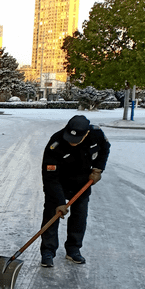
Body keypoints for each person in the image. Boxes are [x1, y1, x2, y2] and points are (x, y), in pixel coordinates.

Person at [40, 115, 110, 268]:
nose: (72, 141)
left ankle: (73, 249)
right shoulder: (56, 143)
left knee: (79, 216)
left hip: (82, 183)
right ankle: (47, 251)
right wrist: (59, 202)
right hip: (59, 181)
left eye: (77, 138)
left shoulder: (96, 135)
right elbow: (50, 177)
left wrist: (98, 169)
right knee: (52, 214)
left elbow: (105, 149)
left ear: (86, 134)